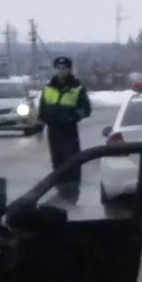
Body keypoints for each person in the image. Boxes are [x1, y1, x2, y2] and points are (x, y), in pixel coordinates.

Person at [37, 56, 92, 200]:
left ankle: (73, 188)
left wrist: (72, 116)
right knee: (57, 159)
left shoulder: (77, 87)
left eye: (64, 68)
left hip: (69, 130)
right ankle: (60, 186)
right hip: (53, 129)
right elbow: (42, 109)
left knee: (72, 158)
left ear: (69, 70)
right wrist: (39, 126)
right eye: (59, 68)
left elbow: (85, 109)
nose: (61, 71)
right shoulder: (49, 87)